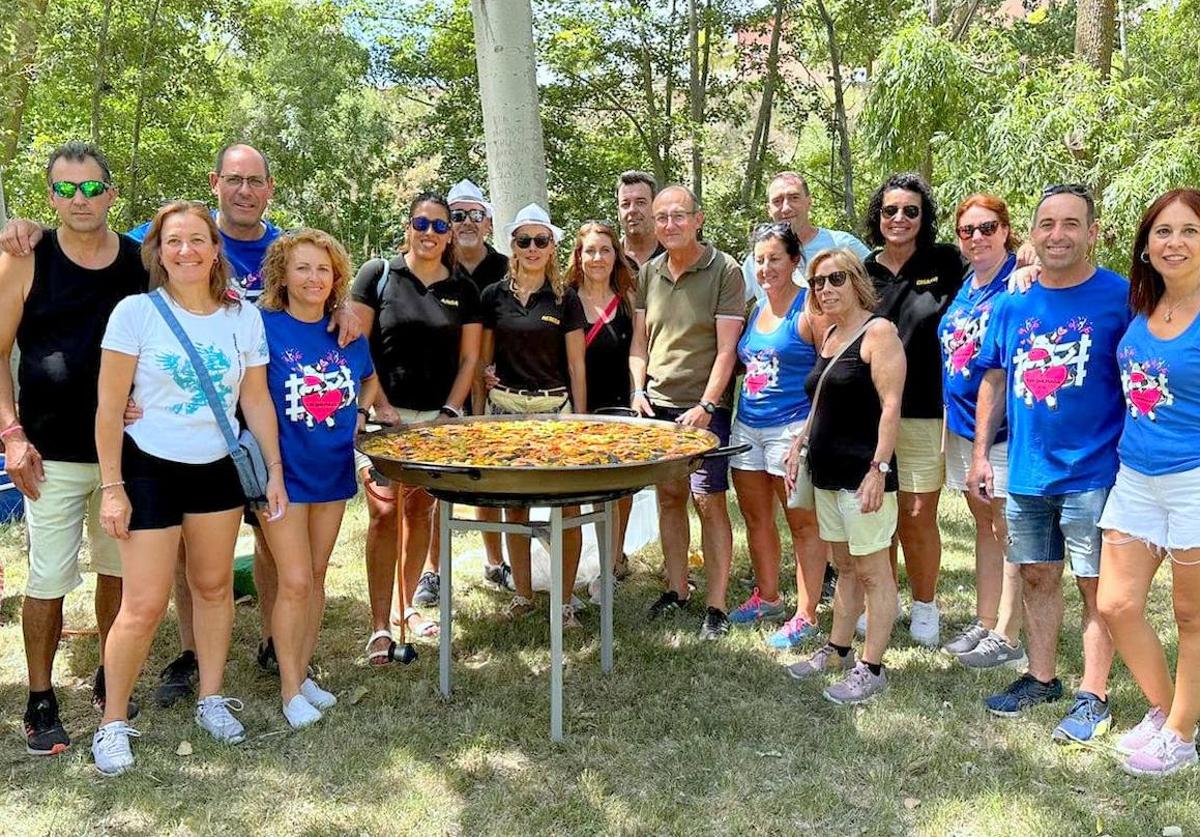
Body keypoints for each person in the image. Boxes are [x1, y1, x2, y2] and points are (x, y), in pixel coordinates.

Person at [3, 142, 360, 706]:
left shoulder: (278, 249)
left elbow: (312, 283)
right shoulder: (144, 253)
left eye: (256, 181)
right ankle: (146, 672)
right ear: (215, 183)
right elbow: (99, 229)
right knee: (149, 567)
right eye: (234, 179)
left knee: (248, 555)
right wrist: (26, 230)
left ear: (268, 190)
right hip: (123, 442)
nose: (245, 190)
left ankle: (272, 647)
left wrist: (338, 300)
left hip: (241, 438)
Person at [92, 201, 286, 775]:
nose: (186, 251)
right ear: (158, 250)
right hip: (149, 468)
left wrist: (273, 469)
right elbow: (107, 408)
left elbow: (255, 400)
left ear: (215, 248)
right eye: (173, 241)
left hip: (218, 468)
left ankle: (211, 698)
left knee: (213, 587)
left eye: (197, 239)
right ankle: (113, 723)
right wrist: (111, 487)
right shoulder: (135, 313)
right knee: (145, 603)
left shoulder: (240, 318)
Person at [0, 141, 145, 756]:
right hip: (48, 454)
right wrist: (11, 435)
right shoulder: (25, 259)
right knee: (48, 579)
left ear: (111, 194)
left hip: (126, 455)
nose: (79, 200)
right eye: (66, 189)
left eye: (91, 188)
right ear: (50, 196)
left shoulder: (143, 261)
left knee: (117, 574)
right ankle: (40, 696)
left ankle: (110, 673)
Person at [969, 183, 1125, 744]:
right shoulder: (1014, 302)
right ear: (1032, 234)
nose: (1057, 234)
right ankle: (1041, 678)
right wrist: (982, 453)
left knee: (1095, 585)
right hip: (1029, 469)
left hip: (1094, 471)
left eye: (1071, 224)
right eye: (1047, 224)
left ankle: (1095, 694)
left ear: (1092, 233)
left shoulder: (1120, 298)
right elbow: (993, 376)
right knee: (1036, 574)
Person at [1097, 188, 1200, 776]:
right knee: (1116, 603)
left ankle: (1182, 736)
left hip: (1193, 481)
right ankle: (1168, 711)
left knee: (1191, 616)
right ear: (1145, 246)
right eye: (1163, 232)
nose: (1174, 243)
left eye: (1189, 231)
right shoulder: (1142, 304)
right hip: (1135, 475)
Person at [351, 193, 480, 663]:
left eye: (440, 227)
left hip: (436, 426)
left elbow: (469, 358)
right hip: (383, 419)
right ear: (408, 226)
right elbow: (357, 348)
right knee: (385, 514)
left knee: (419, 513)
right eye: (421, 223)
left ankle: (407, 610)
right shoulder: (378, 275)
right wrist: (378, 405)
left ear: (450, 235)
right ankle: (380, 625)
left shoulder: (463, 289)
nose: (430, 233)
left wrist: (450, 411)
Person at [256, 228, 377, 726]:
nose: (313, 278)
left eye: (323, 270)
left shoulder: (345, 331)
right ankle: (288, 692)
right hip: (281, 474)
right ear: (283, 275)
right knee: (295, 580)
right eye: (302, 268)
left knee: (319, 577)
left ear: (336, 279)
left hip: (331, 469)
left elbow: (368, 379)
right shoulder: (260, 325)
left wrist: (361, 417)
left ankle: (302, 674)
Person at [783, 248, 905, 704]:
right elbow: (823, 402)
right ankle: (837, 649)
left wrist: (879, 468)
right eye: (817, 283)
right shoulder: (831, 334)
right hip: (828, 472)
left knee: (874, 571)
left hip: (863, 473)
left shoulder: (880, 332)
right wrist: (799, 443)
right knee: (846, 566)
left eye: (835, 280)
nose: (826, 290)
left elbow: (892, 407)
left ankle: (871, 667)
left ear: (856, 281)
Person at [630, 185, 745, 640]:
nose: (670, 225)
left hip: (705, 408)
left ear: (698, 219)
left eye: (679, 216)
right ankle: (677, 588)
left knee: (709, 501)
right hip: (656, 404)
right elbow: (640, 343)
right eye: (662, 217)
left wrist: (707, 405)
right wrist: (637, 389)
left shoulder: (725, 271)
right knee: (669, 498)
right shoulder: (649, 272)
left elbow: (727, 350)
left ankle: (716, 605)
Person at [863, 172, 968, 647]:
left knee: (917, 511)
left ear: (923, 217)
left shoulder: (946, 261)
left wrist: (1026, 259)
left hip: (924, 408)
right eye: (890, 210)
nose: (899, 218)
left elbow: (995, 270)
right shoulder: (864, 270)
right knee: (877, 511)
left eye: (910, 210)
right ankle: (882, 600)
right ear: (878, 217)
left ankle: (925, 605)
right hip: (869, 410)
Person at [480, 203, 587, 624]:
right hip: (504, 408)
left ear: (552, 247)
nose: (532, 248)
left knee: (568, 506)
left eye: (540, 240)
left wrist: (581, 417)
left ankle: (563, 602)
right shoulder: (493, 296)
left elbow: (577, 364)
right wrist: (479, 413)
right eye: (524, 240)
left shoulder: (566, 299)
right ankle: (523, 594)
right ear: (513, 246)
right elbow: (482, 363)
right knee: (515, 505)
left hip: (555, 411)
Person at [938, 194, 1026, 668]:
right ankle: (986, 619)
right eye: (968, 230)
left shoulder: (1020, 280)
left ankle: (1009, 636)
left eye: (988, 228)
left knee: (1009, 528)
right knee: (985, 525)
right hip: (964, 427)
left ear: (1006, 230)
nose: (977, 237)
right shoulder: (967, 285)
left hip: (1006, 429)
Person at [728, 223, 825, 650]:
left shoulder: (811, 308)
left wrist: (806, 433)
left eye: (775, 258)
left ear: (794, 261)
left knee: (802, 522)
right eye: (760, 259)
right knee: (755, 516)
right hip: (748, 424)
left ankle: (807, 613)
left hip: (791, 427)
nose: (766, 267)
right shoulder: (755, 309)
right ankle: (768, 596)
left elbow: (828, 372)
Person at [444, 177, 513, 599]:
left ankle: (495, 560)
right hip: (442, 385)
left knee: (493, 477)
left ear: (488, 223)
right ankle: (432, 571)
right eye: (457, 215)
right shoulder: (433, 261)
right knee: (437, 486)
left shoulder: (508, 266)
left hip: (494, 385)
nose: (466, 222)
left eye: (475, 215)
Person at [566, 221, 637, 579]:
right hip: (576, 407)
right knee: (577, 489)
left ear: (616, 255)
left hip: (620, 405)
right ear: (579, 256)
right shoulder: (565, 299)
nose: (597, 258)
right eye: (590, 250)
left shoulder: (629, 299)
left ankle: (612, 560)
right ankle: (577, 563)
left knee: (618, 490)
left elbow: (641, 351)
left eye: (605, 250)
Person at [741, 172, 870, 304]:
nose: (786, 208)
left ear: (809, 202)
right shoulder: (757, 261)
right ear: (769, 209)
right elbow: (730, 302)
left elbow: (880, 286)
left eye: (794, 198)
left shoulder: (841, 244)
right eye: (777, 201)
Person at [616, 171, 665, 268]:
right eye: (625, 204)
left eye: (640, 203)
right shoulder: (609, 259)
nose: (632, 210)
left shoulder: (674, 255)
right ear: (618, 212)